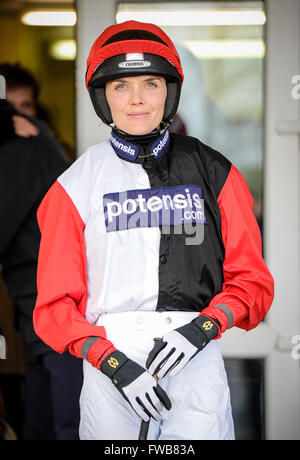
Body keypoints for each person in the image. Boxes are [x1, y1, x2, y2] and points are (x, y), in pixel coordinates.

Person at [33, 20, 274, 440]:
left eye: (151, 83)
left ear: (171, 91)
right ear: (102, 97)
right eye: (121, 86)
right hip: (110, 365)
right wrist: (112, 362)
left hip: (196, 360)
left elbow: (252, 283)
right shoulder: (73, 185)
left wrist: (204, 327)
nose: (138, 100)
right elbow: (54, 308)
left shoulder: (216, 172)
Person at [0, 93, 83, 439]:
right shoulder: (30, 143)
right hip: (44, 313)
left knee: (64, 427)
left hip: (57, 311)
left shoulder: (20, 148)